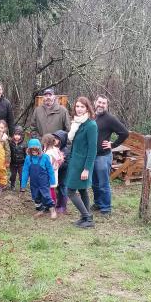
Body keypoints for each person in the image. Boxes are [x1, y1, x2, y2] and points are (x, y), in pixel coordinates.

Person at [92, 95, 129, 215]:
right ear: (95, 102)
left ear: (107, 106)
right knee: (94, 183)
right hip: (92, 156)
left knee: (103, 183)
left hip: (103, 156)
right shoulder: (92, 116)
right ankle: (98, 203)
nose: (101, 105)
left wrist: (113, 145)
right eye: (99, 102)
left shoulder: (110, 118)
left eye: (104, 103)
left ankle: (106, 208)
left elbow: (124, 133)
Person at [65, 97, 98, 228]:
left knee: (70, 191)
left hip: (82, 165)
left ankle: (87, 218)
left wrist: (87, 169)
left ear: (87, 108)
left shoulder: (91, 125)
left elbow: (92, 149)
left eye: (82, 107)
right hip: (74, 162)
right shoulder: (77, 124)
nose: (79, 109)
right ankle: (86, 217)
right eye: (77, 106)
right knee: (83, 190)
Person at [21, 139, 57, 219]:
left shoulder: (45, 157)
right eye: (32, 150)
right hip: (34, 183)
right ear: (29, 150)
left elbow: (50, 170)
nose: (34, 151)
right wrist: (23, 185)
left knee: (46, 196)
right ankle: (40, 210)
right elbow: (25, 172)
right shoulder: (28, 158)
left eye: (36, 149)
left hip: (43, 182)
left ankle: (52, 210)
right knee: (36, 197)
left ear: (39, 149)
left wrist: (52, 182)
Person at [42, 133, 64, 207]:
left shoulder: (48, 154)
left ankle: (51, 204)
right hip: (54, 172)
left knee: (50, 189)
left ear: (46, 143)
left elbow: (48, 164)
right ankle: (52, 203)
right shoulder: (55, 149)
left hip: (49, 173)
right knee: (52, 188)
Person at [52, 130, 69, 213]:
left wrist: (57, 166)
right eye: (54, 138)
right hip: (56, 173)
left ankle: (63, 206)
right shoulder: (53, 149)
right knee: (58, 188)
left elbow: (66, 163)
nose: (54, 140)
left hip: (64, 173)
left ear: (61, 140)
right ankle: (58, 204)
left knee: (63, 187)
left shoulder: (65, 150)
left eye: (57, 139)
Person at [9, 125, 27, 191]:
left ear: (21, 135)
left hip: (21, 163)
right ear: (13, 135)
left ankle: (22, 187)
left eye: (19, 135)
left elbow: (26, 154)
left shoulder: (24, 144)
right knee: (13, 175)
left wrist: (26, 162)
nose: (17, 136)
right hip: (13, 163)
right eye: (15, 134)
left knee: (22, 176)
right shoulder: (10, 143)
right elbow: (8, 152)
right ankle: (12, 185)